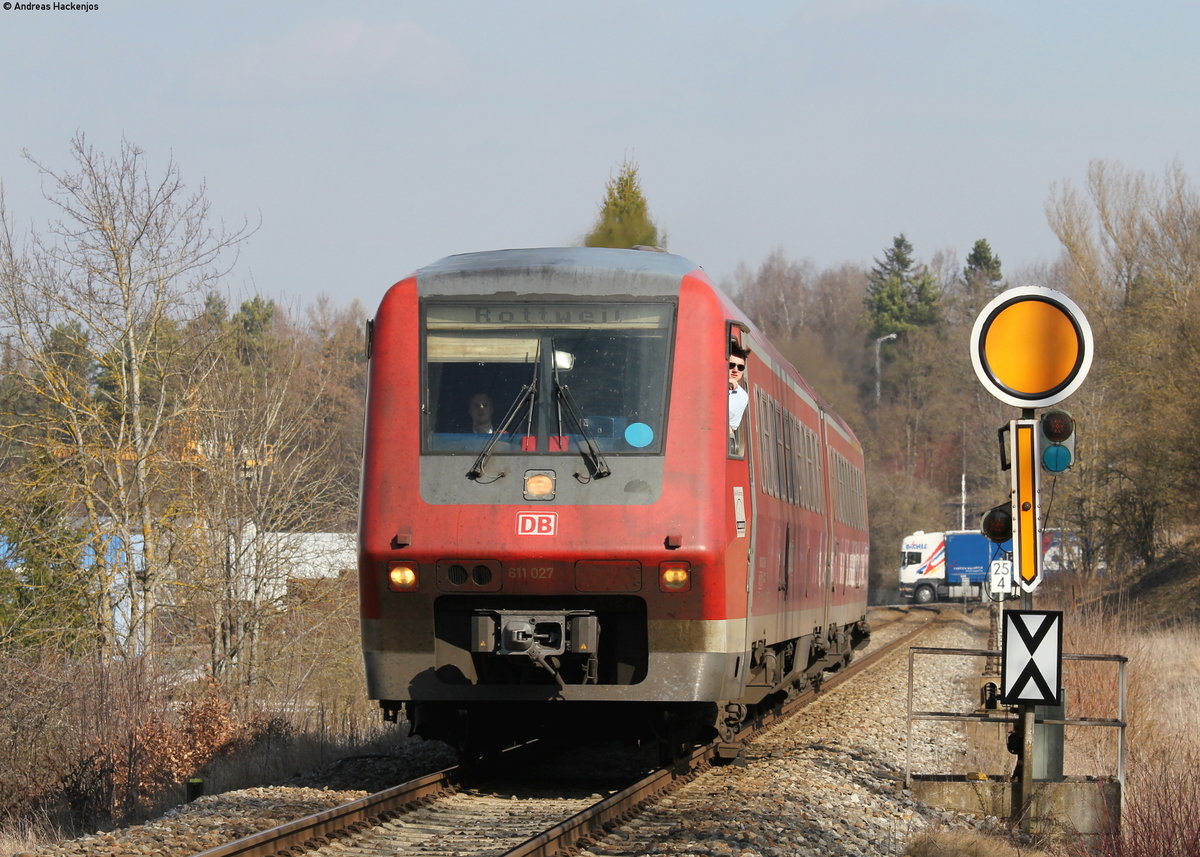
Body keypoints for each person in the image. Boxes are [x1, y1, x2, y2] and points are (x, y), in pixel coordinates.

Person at [728, 346, 749, 432]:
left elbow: (731, 429)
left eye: (740, 367)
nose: (735, 370)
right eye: (731, 365)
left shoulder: (741, 397)